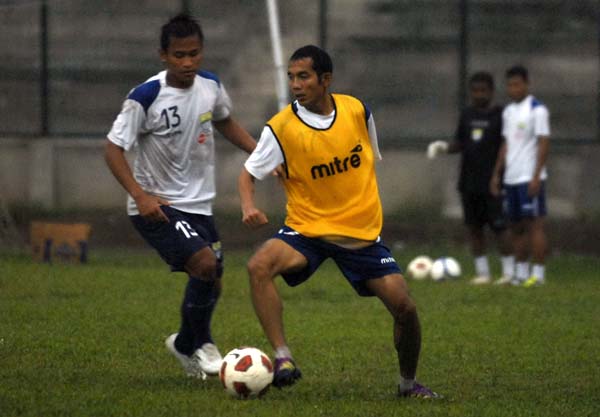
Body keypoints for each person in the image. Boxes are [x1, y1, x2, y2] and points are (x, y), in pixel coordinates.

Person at [238, 45, 440, 398]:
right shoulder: (281, 127)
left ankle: (408, 384)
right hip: (307, 230)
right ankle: (283, 358)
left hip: (360, 235)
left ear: (325, 79)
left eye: (304, 76)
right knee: (259, 265)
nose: (296, 85)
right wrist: (248, 206)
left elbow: (367, 161)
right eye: (291, 77)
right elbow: (247, 174)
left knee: (405, 308)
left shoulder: (357, 110)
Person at [104, 14, 256, 379]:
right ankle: (201, 344)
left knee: (214, 278)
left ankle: (185, 344)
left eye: (194, 54)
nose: (188, 63)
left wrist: (259, 152)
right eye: (179, 55)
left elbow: (224, 121)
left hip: (199, 203)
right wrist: (140, 196)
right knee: (204, 265)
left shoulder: (211, 86)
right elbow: (112, 149)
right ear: (163, 55)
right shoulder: (146, 96)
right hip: (158, 206)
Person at [427, 72, 514, 285]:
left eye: (483, 90)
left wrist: (498, 175)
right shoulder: (466, 115)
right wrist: (444, 147)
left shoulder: (501, 115)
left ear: (491, 92)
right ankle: (483, 273)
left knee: (500, 227)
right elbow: (461, 143)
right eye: (475, 90)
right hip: (469, 181)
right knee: (474, 228)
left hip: (493, 182)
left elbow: (506, 145)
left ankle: (509, 273)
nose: (479, 94)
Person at [490, 65, 550, 287]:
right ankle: (521, 273)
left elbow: (544, 142)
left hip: (529, 177)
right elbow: (506, 144)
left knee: (535, 225)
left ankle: (539, 274)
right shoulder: (508, 112)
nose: (513, 89)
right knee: (515, 226)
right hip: (511, 178)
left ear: (526, 84)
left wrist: (536, 176)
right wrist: (497, 174)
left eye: (517, 84)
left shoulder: (537, 109)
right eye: (510, 85)